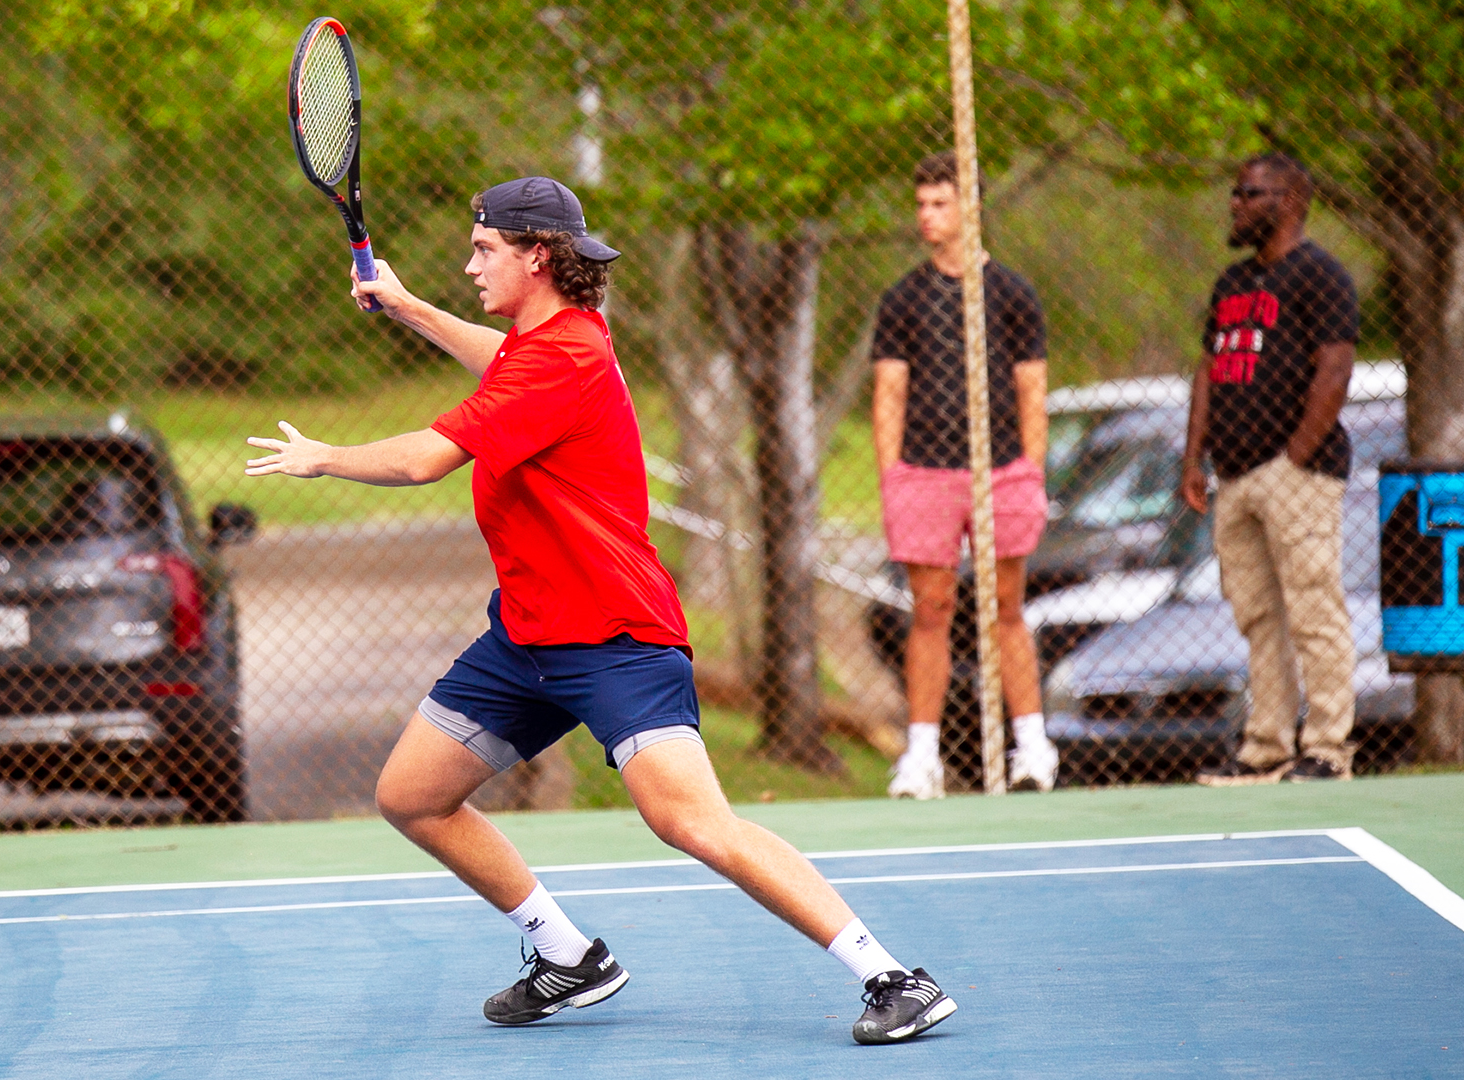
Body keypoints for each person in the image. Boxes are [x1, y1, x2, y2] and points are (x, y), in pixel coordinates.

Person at [246, 176, 956, 1044]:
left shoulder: (563, 357)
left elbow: (425, 460)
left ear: (535, 256)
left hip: (615, 635)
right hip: (527, 635)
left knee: (690, 822)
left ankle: (893, 977)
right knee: (413, 796)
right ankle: (568, 957)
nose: (470, 265)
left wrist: (325, 456)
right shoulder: (550, 339)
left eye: (484, 250)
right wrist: (407, 307)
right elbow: (494, 356)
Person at [869, 152, 1056, 800]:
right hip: (924, 472)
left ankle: (1033, 747)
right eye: (921, 204)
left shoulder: (1011, 292)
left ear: (970, 207)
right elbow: (889, 392)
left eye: (940, 203)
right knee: (932, 610)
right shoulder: (904, 298)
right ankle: (922, 759)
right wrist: (893, 474)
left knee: (1006, 607)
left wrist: (1029, 469)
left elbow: (1032, 390)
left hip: (1001, 470)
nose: (927, 215)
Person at [1183, 154, 1359, 785]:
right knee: (1259, 617)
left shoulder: (1321, 277)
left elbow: (1334, 372)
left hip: (1297, 474)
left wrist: (1294, 459)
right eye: (1235, 192)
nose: (1235, 203)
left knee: (1314, 609)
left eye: (1248, 194)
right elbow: (1208, 372)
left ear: (1286, 201)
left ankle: (1328, 749)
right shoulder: (1232, 285)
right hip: (1233, 475)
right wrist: (1192, 458)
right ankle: (1267, 748)